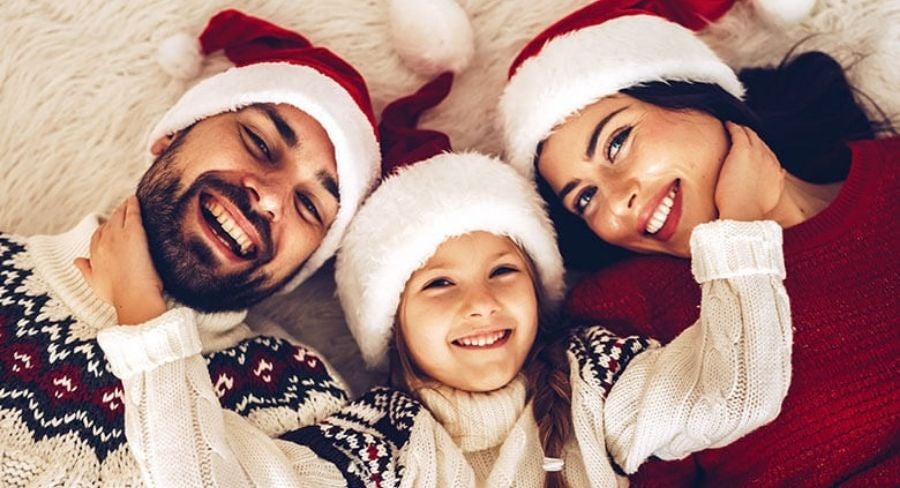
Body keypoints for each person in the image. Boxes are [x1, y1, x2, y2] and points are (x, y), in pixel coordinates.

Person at [89, 72, 791, 487]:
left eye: (504, 271)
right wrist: (146, 332)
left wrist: (736, 235)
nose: (480, 302)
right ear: (392, 324)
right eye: (437, 286)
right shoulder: (378, 444)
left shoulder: (593, 379)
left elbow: (732, 396)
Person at [497, 1, 899, 485]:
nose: (618, 203)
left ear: (695, 95)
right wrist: (741, 231)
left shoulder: (890, 173)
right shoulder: (625, 313)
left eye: (617, 142)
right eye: (584, 197)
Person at [0, 9, 382, 485]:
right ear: (172, 135)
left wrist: (145, 320)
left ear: (304, 266)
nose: (269, 198)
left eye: (309, 205)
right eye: (259, 143)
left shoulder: (299, 395)